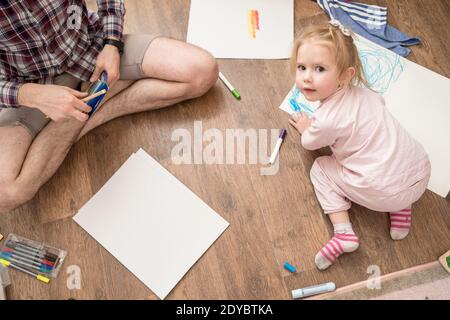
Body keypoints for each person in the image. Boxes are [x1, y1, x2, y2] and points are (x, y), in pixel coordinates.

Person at [0, 0, 218, 213]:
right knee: (7, 193)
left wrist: (112, 44)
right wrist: (31, 95)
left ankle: (81, 117)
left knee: (202, 71)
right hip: (27, 83)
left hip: (91, 52)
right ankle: (98, 96)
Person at [289, 20, 431, 270]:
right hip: (420, 173)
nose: (307, 78)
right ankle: (401, 209)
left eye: (319, 69)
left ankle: (344, 233)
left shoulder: (325, 119)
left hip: (383, 193)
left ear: (346, 74)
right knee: (391, 151)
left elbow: (309, 143)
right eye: (302, 67)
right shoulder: (368, 94)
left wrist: (305, 127)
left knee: (320, 169)